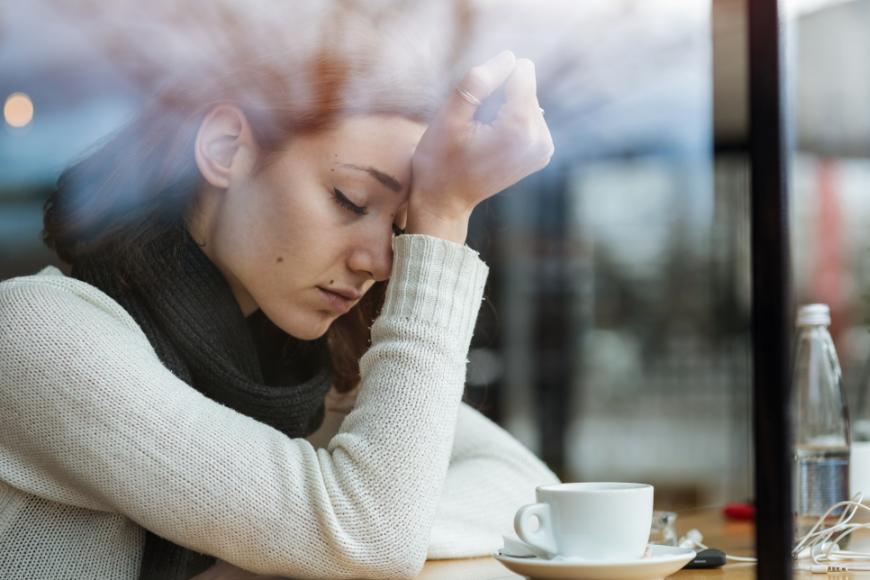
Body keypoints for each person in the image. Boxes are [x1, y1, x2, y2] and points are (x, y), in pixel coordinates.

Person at [0, 13, 557, 580]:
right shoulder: (35, 334)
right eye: (350, 198)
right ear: (224, 148)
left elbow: (529, 492)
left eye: (401, 228)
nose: (382, 260)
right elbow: (370, 534)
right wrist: (444, 218)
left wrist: (293, 545)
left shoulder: (292, 369)